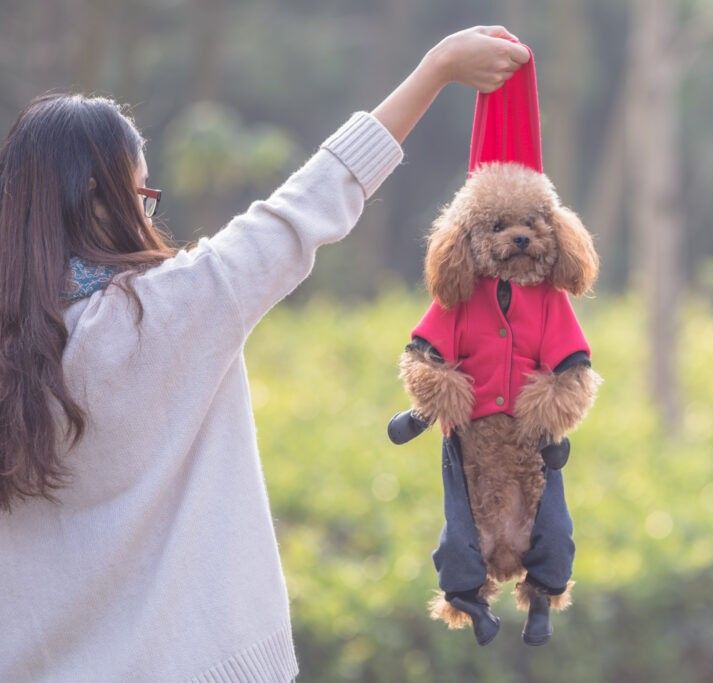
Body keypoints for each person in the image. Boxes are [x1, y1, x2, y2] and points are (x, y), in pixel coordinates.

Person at [0, 26, 530, 682]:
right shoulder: (171, 309)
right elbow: (309, 203)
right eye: (142, 193)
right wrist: (436, 69)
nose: (148, 212)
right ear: (100, 204)